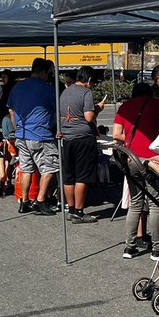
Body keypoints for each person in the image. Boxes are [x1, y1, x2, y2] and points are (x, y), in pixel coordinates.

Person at [113, 82, 159, 258]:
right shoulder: (158, 104)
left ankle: (129, 247)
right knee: (155, 203)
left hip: (132, 158)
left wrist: (133, 138)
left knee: (135, 202)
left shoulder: (124, 106)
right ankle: (157, 248)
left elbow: (116, 134)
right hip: (153, 159)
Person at [8, 58, 59, 215]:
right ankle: (41, 200)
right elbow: (58, 109)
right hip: (40, 134)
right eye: (49, 73)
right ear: (43, 72)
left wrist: (17, 128)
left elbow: (11, 110)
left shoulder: (18, 87)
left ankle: (24, 201)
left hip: (21, 134)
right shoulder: (48, 89)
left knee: (26, 169)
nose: (49, 76)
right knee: (50, 167)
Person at [58, 66, 100, 224]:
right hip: (83, 137)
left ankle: (71, 209)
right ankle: (79, 212)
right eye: (93, 82)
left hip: (67, 137)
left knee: (69, 176)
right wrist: (98, 109)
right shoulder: (86, 92)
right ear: (89, 80)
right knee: (82, 176)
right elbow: (89, 117)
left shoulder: (65, 91)